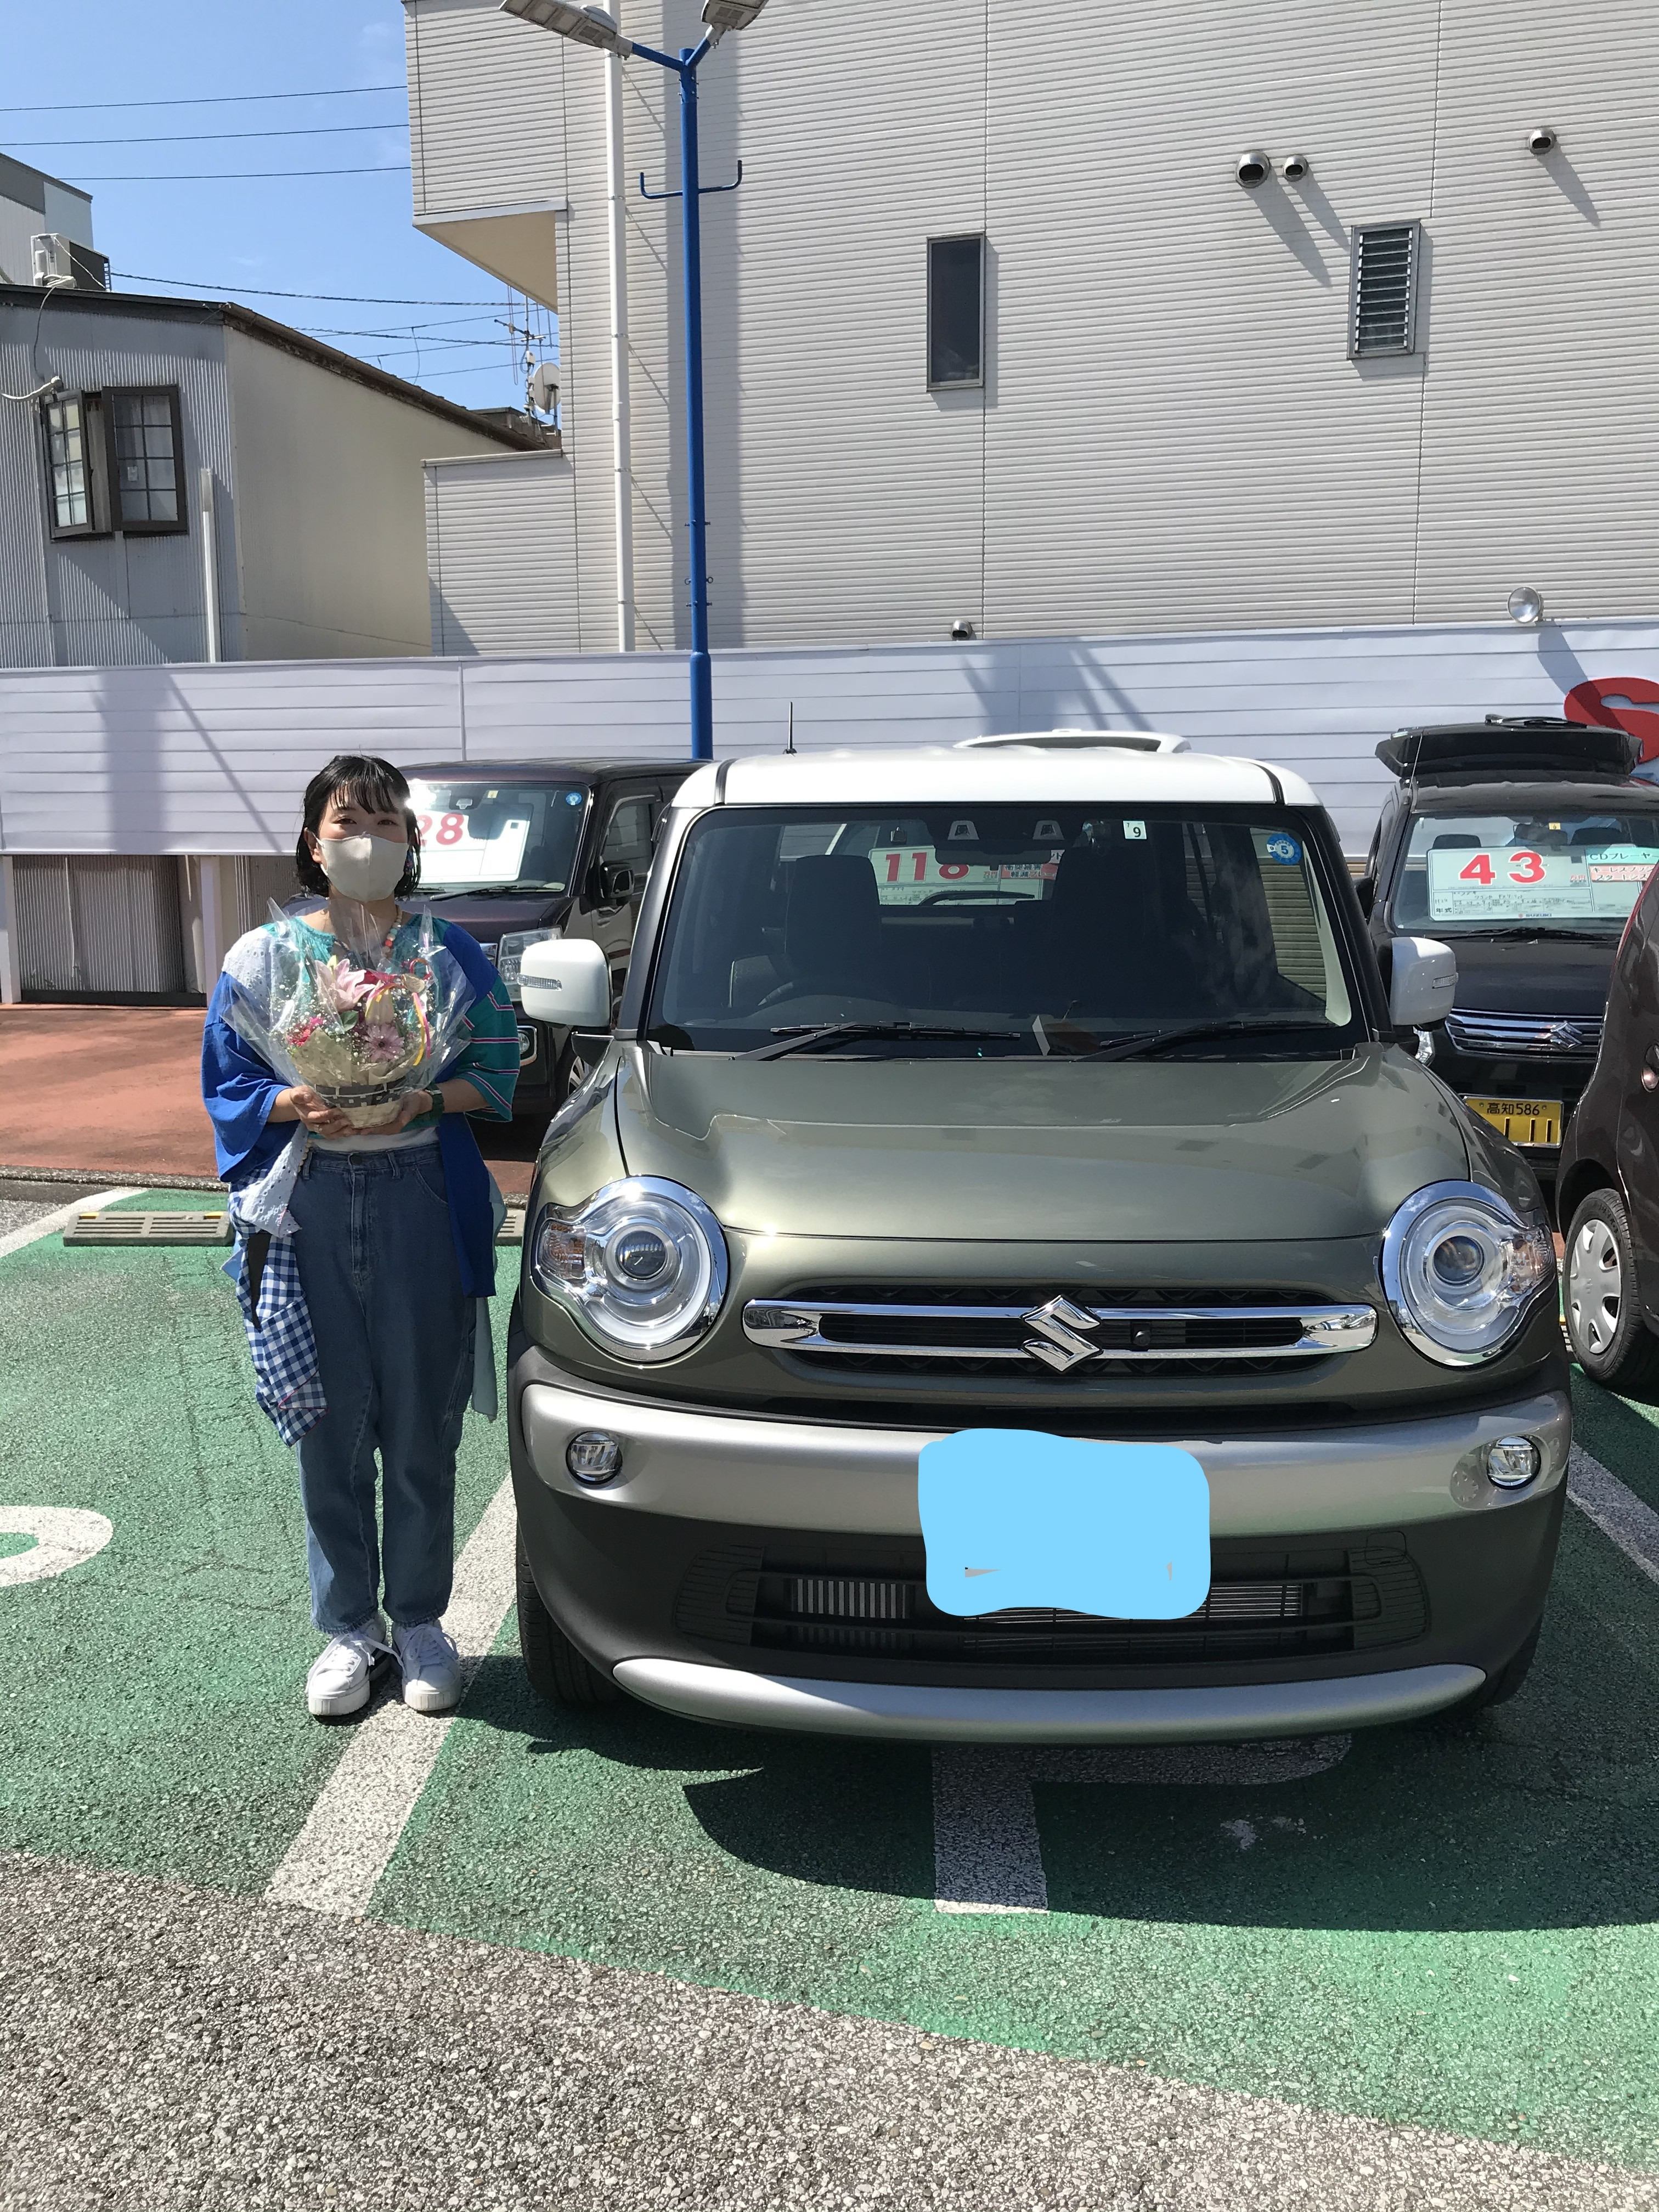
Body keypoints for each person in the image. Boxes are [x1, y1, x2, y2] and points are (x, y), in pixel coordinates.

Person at [200, 755, 518, 1720]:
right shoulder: (262, 957)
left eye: (388, 824)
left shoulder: (448, 953)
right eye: (350, 822)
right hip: (311, 1202)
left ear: (411, 842)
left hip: (422, 1192)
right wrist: (291, 1101)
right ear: (314, 841)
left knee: (421, 1422)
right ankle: (350, 1629)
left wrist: (424, 1097)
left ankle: (419, 1621)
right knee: (329, 1426)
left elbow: (497, 1068)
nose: (368, 841)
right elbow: (227, 1080)